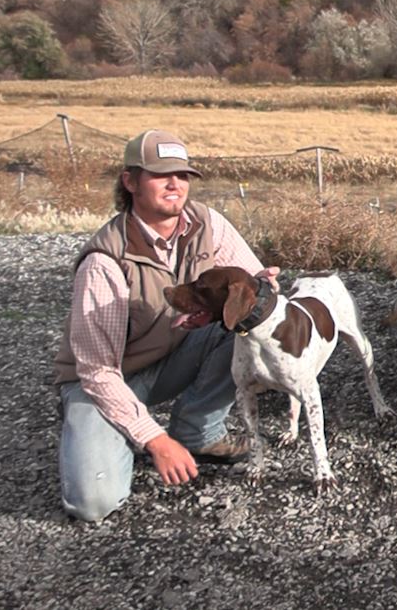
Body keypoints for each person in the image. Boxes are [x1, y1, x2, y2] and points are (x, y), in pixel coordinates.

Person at [53, 129, 277, 522]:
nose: (175, 184)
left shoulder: (209, 225)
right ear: (130, 181)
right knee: (93, 503)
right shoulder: (105, 262)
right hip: (108, 380)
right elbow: (96, 371)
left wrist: (266, 288)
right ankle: (112, 429)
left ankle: (197, 432)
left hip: (174, 355)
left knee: (240, 326)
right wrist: (154, 439)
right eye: (160, 175)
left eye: (183, 174)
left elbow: (252, 279)